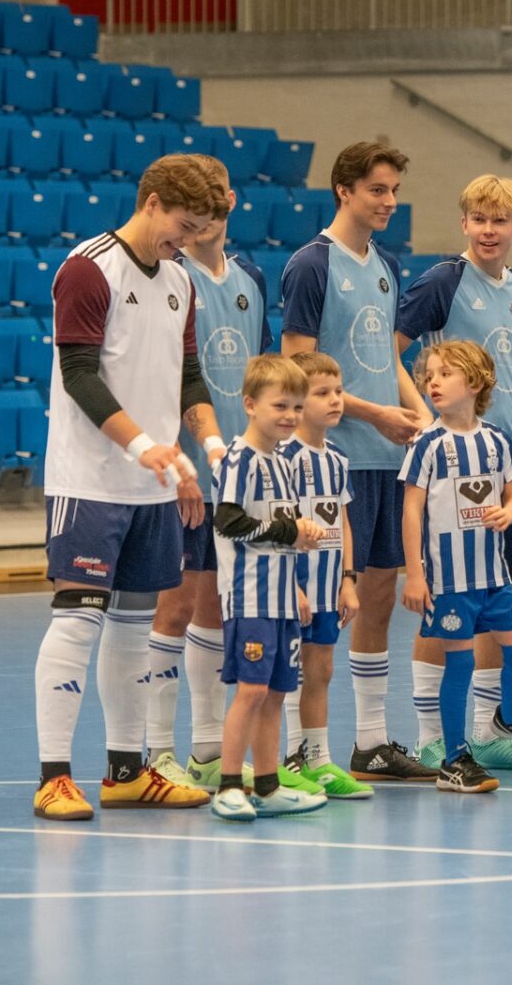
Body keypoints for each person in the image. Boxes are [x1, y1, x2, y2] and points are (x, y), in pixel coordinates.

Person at [33, 154, 229, 821]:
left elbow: (189, 375)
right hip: (90, 479)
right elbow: (81, 374)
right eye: (183, 224)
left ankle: (125, 769)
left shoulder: (179, 280)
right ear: (151, 201)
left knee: (133, 629)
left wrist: (205, 446)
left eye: (200, 229)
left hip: (154, 487)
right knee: (79, 617)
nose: (187, 239)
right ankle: (54, 775)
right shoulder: (90, 268)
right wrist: (145, 445)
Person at [279, 141, 434, 782]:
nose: (389, 201)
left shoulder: (387, 265)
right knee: (313, 605)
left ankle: (369, 741)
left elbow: (386, 356)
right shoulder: (311, 265)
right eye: (376, 189)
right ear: (344, 189)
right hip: (329, 463)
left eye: (394, 190)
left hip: (385, 459)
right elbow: (297, 368)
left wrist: (421, 415)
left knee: (375, 597)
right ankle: (297, 745)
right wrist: (374, 416)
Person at [396, 174, 512, 771]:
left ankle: (488, 728)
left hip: (508, 461)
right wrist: (418, 411)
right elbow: (395, 345)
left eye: (501, 220)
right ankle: (433, 735)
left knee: (500, 593)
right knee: (443, 598)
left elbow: (506, 374)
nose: (489, 230)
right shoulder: (443, 280)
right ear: (464, 223)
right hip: (449, 471)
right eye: (479, 219)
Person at [145, 155, 269, 792]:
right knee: (175, 603)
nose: (212, 207)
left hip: (237, 472)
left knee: (218, 607)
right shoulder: (171, 273)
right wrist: (179, 455)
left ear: (231, 197)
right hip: (189, 468)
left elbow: (262, 379)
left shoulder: (248, 275)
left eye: (220, 194)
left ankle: (203, 750)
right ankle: (156, 751)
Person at [398, 341, 512, 792]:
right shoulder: (428, 445)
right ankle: (454, 760)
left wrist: (511, 512)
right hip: (450, 582)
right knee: (459, 666)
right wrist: (416, 575)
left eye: (445, 374)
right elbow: (411, 511)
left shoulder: (496, 440)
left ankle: (507, 720)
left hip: (495, 579)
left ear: (475, 384)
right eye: (429, 375)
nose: (432, 382)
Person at [208, 355, 331, 821]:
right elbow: (229, 520)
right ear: (250, 404)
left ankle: (266, 783)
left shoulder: (282, 463)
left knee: (277, 692)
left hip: (282, 598)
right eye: (280, 405)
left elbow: (285, 528)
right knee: (251, 691)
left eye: (298, 407)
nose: (290, 415)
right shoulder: (241, 459)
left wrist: (298, 574)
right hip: (250, 595)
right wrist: (289, 533)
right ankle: (228, 785)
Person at [276, 352, 375, 796]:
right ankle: (277, 759)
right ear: (297, 401)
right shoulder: (283, 457)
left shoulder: (336, 457)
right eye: (323, 393)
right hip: (290, 588)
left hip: (328, 590)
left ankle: (317, 758)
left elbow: (342, 523)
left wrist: (348, 581)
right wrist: (291, 584)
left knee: (321, 671)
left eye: (338, 391)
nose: (336, 401)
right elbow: (277, 526)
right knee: (279, 675)